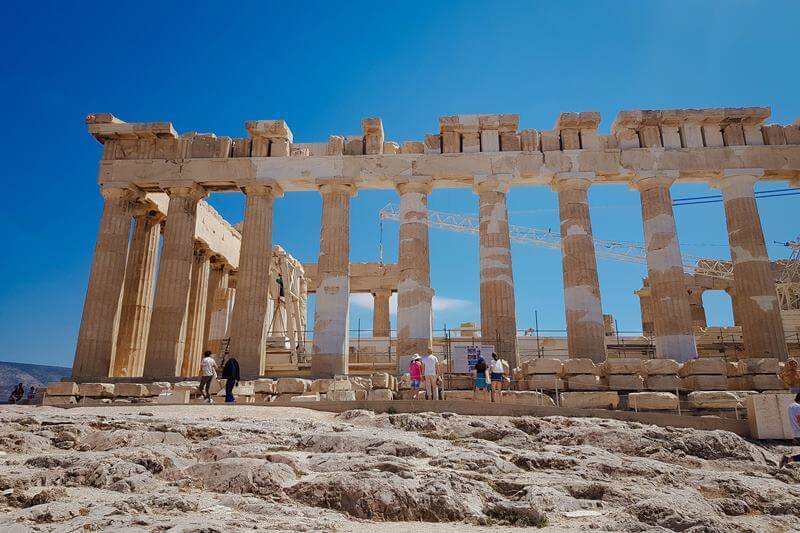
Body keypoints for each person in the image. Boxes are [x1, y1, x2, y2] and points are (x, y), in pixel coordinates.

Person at [780, 393, 800, 468]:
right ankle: (789, 459)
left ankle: (788, 459)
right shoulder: (798, 407)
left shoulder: (791, 406)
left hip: (795, 433)